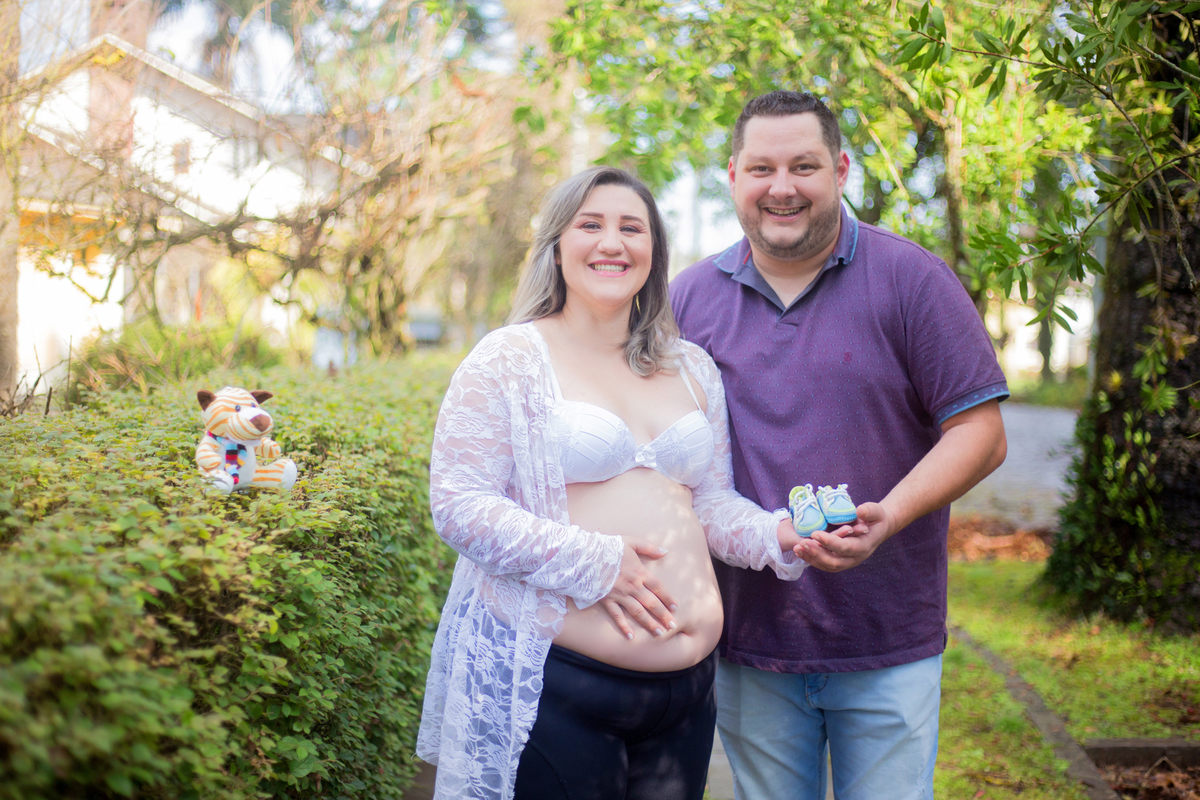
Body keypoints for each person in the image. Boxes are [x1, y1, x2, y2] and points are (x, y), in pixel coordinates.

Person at [417, 166, 831, 800]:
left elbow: (711, 504)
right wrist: (597, 562)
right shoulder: (509, 359)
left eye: (631, 228)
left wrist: (780, 535)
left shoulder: (689, 365)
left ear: (653, 253)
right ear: (557, 246)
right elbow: (459, 506)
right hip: (560, 686)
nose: (612, 242)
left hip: (685, 701)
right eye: (591, 225)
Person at [670, 91, 1010, 800]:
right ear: (732, 176)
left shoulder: (912, 280)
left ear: (841, 170)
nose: (782, 187)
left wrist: (891, 512)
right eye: (761, 168)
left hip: (887, 636)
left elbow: (981, 434)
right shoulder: (689, 300)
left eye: (804, 166)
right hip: (749, 643)